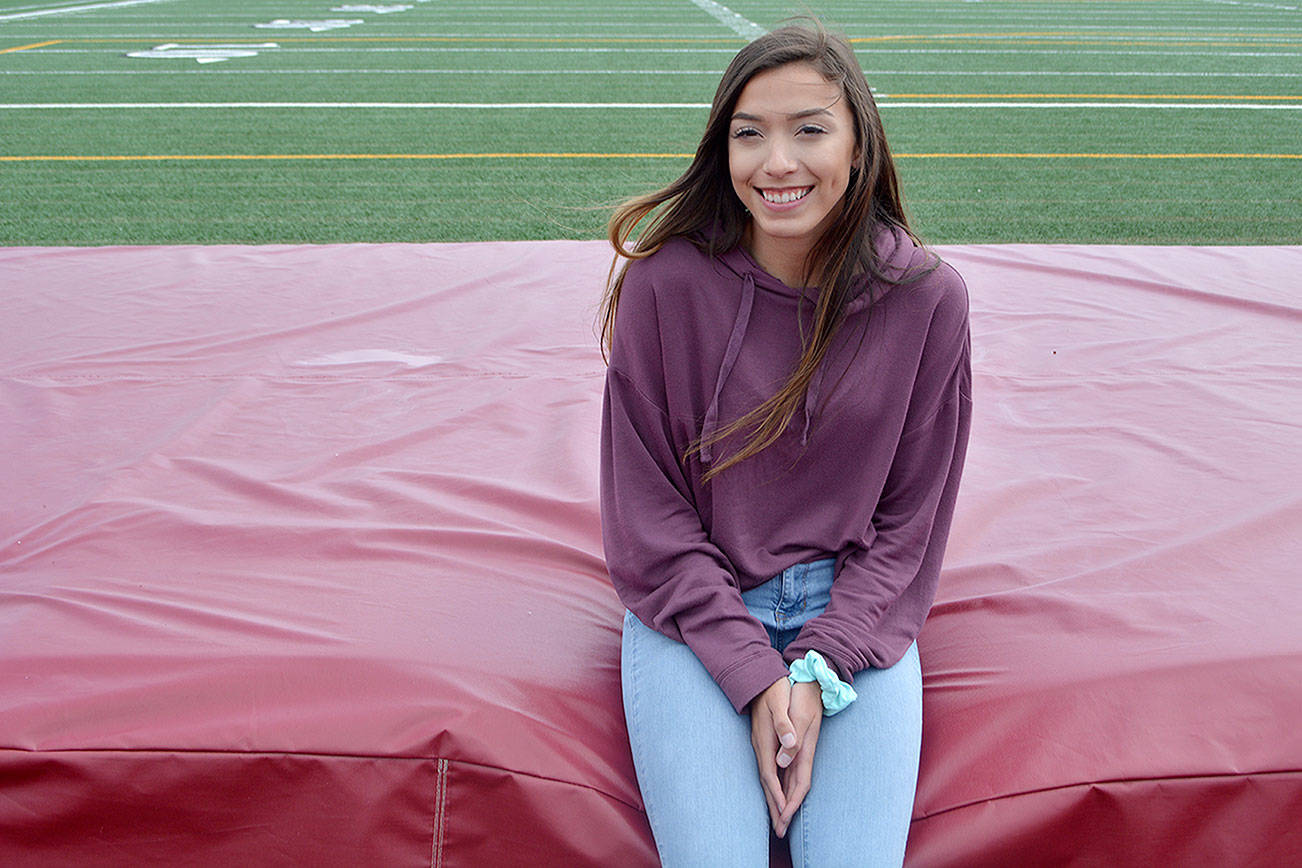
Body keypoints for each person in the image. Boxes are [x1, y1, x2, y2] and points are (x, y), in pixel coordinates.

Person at [597, 21, 971, 868]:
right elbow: (647, 515)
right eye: (749, 133)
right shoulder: (665, 286)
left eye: (810, 129)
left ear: (859, 142)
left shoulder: (928, 301)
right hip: (690, 617)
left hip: (855, 618)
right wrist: (754, 673)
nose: (777, 163)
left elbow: (911, 524)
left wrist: (820, 668)